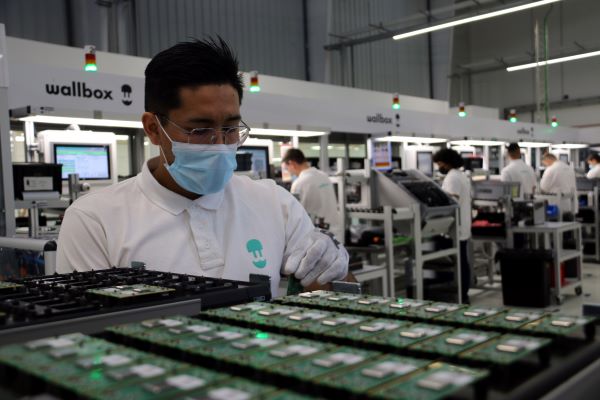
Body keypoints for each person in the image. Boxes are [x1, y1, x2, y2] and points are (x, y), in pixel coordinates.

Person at [56, 38, 348, 296]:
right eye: (200, 129)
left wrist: (335, 265)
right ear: (153, 128)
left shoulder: (275, 204)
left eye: (231, 128)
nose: (219, 144)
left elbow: (335, 297)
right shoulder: (94, 220)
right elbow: (88, 339)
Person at [433, 148, 472, 303]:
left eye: (439, 163)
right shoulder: (460, 175)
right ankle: (463, 293)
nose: (438, 167)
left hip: (456, 227)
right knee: (462, 260)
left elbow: (450, 203)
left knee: (460, 261)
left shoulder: (452, 178)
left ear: (446, 162)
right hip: (462, 225)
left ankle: (460, 293)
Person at [282, 149, 343, 242]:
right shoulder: (323, 176)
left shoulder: (299, 183)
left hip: (316, 240)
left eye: (287, 168)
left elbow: (294, 217)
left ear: (291, 163)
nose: (289, 172)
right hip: (335, 234)